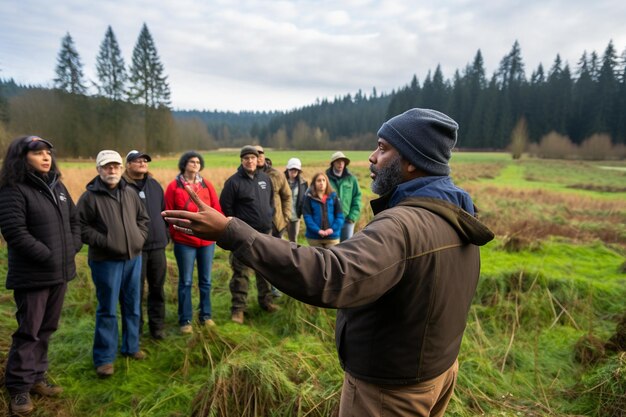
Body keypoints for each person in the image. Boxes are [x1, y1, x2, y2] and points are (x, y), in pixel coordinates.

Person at [163, 108, 495, 417]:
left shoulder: (402, 226)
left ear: (410, 161)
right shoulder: (458, 214)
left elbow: (330, 275)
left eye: (382, 148)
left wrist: (232, 231)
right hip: (438, 371)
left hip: (389, 388)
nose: (372, 157)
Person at [0, 136, 82, 415]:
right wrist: (47, 255)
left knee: (47, 329)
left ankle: (36, 377)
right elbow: (14, 231)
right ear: (22, 157)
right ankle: (18, 389)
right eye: (38, 153)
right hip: (33, 275)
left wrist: (71, 248)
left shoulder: (57, 186)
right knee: (29, 331)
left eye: (48, 152)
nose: (46, 157)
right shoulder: (14, 189)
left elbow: (74, 220)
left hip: (59, 273)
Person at [77, 150, 149, 378]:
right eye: (107, 166)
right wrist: (105, 241)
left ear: (121, 168)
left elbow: (143, 219)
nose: (112, 170)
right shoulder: (89, 197)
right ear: (99, 169)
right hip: (105, 261)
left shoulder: (130, 193)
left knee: (133, 305)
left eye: (116, 166)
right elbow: (81, 227)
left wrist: (139, 239)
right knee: (107, 309)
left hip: (133, 259)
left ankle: (131, 346)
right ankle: (105, 359)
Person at [219, 145, 279, 324]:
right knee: (241, 273)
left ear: (257, 159)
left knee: (265, 270)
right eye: (246, 158)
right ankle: (238, 309)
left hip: (265, 233)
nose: (250, 161)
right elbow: (226, 208)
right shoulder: (233, 182)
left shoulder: (265, 179)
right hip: (242, 236)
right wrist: (236, 229)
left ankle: (266, 301)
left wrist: (269, 218)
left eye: (253, 158)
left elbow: (270, 203)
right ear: (242, 160)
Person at [164, 151, 222, 334]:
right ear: (184, 164)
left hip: (206, 242)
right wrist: (175, 233)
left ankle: (206, 316)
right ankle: (185, 320)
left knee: (206, 281)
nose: (195, 164)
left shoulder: (207, 185)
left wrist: (215, 233)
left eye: (198, 162)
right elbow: (168, 212)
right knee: (186, 281)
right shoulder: (174, 186)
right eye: (192, 161)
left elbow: (216, 210)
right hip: (184, 241)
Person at [123, 150, 169, 340]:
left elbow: (164, 211)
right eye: (137, 160)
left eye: (145, 161)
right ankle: (136, 331)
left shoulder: (154, 185)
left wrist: (166, 233)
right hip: (135, 250)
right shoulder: (122, 186)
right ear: (128, 165)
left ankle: (157, 327)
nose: (142, 163)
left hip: (158, 247)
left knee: (157, 288)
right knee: (135, 291)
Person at [326, 151, 362, 241]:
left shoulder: (351, 179)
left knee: (346, 248)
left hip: (347, 220)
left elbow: (357, 197)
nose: (341, 164)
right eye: (338, 161)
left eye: (343, 162)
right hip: (331, 221)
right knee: (331, 248)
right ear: (333, 163)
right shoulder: (325, 178)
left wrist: (352, 217)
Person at [302, 172, 344, 248]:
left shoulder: (333, 196)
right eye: (319, 180)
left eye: (323, 180)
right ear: (314, 183)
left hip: (332, 237)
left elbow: (340, 216)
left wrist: (331, 229)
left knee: (332, 259)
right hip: (314, 237)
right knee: (316, 259)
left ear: (327, 182)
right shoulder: (309, 197)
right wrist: (318, 230)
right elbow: (307, 217)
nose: (321, 183)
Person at [284, 157, 308, 243]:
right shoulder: (281, 181)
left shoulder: (303, 184)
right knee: (279, 238)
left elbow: (304, 200)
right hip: (282, 216)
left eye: (296, 170)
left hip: (295, 217)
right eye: (291, 170)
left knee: (293, 240)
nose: (293, 172)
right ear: (287, 170)